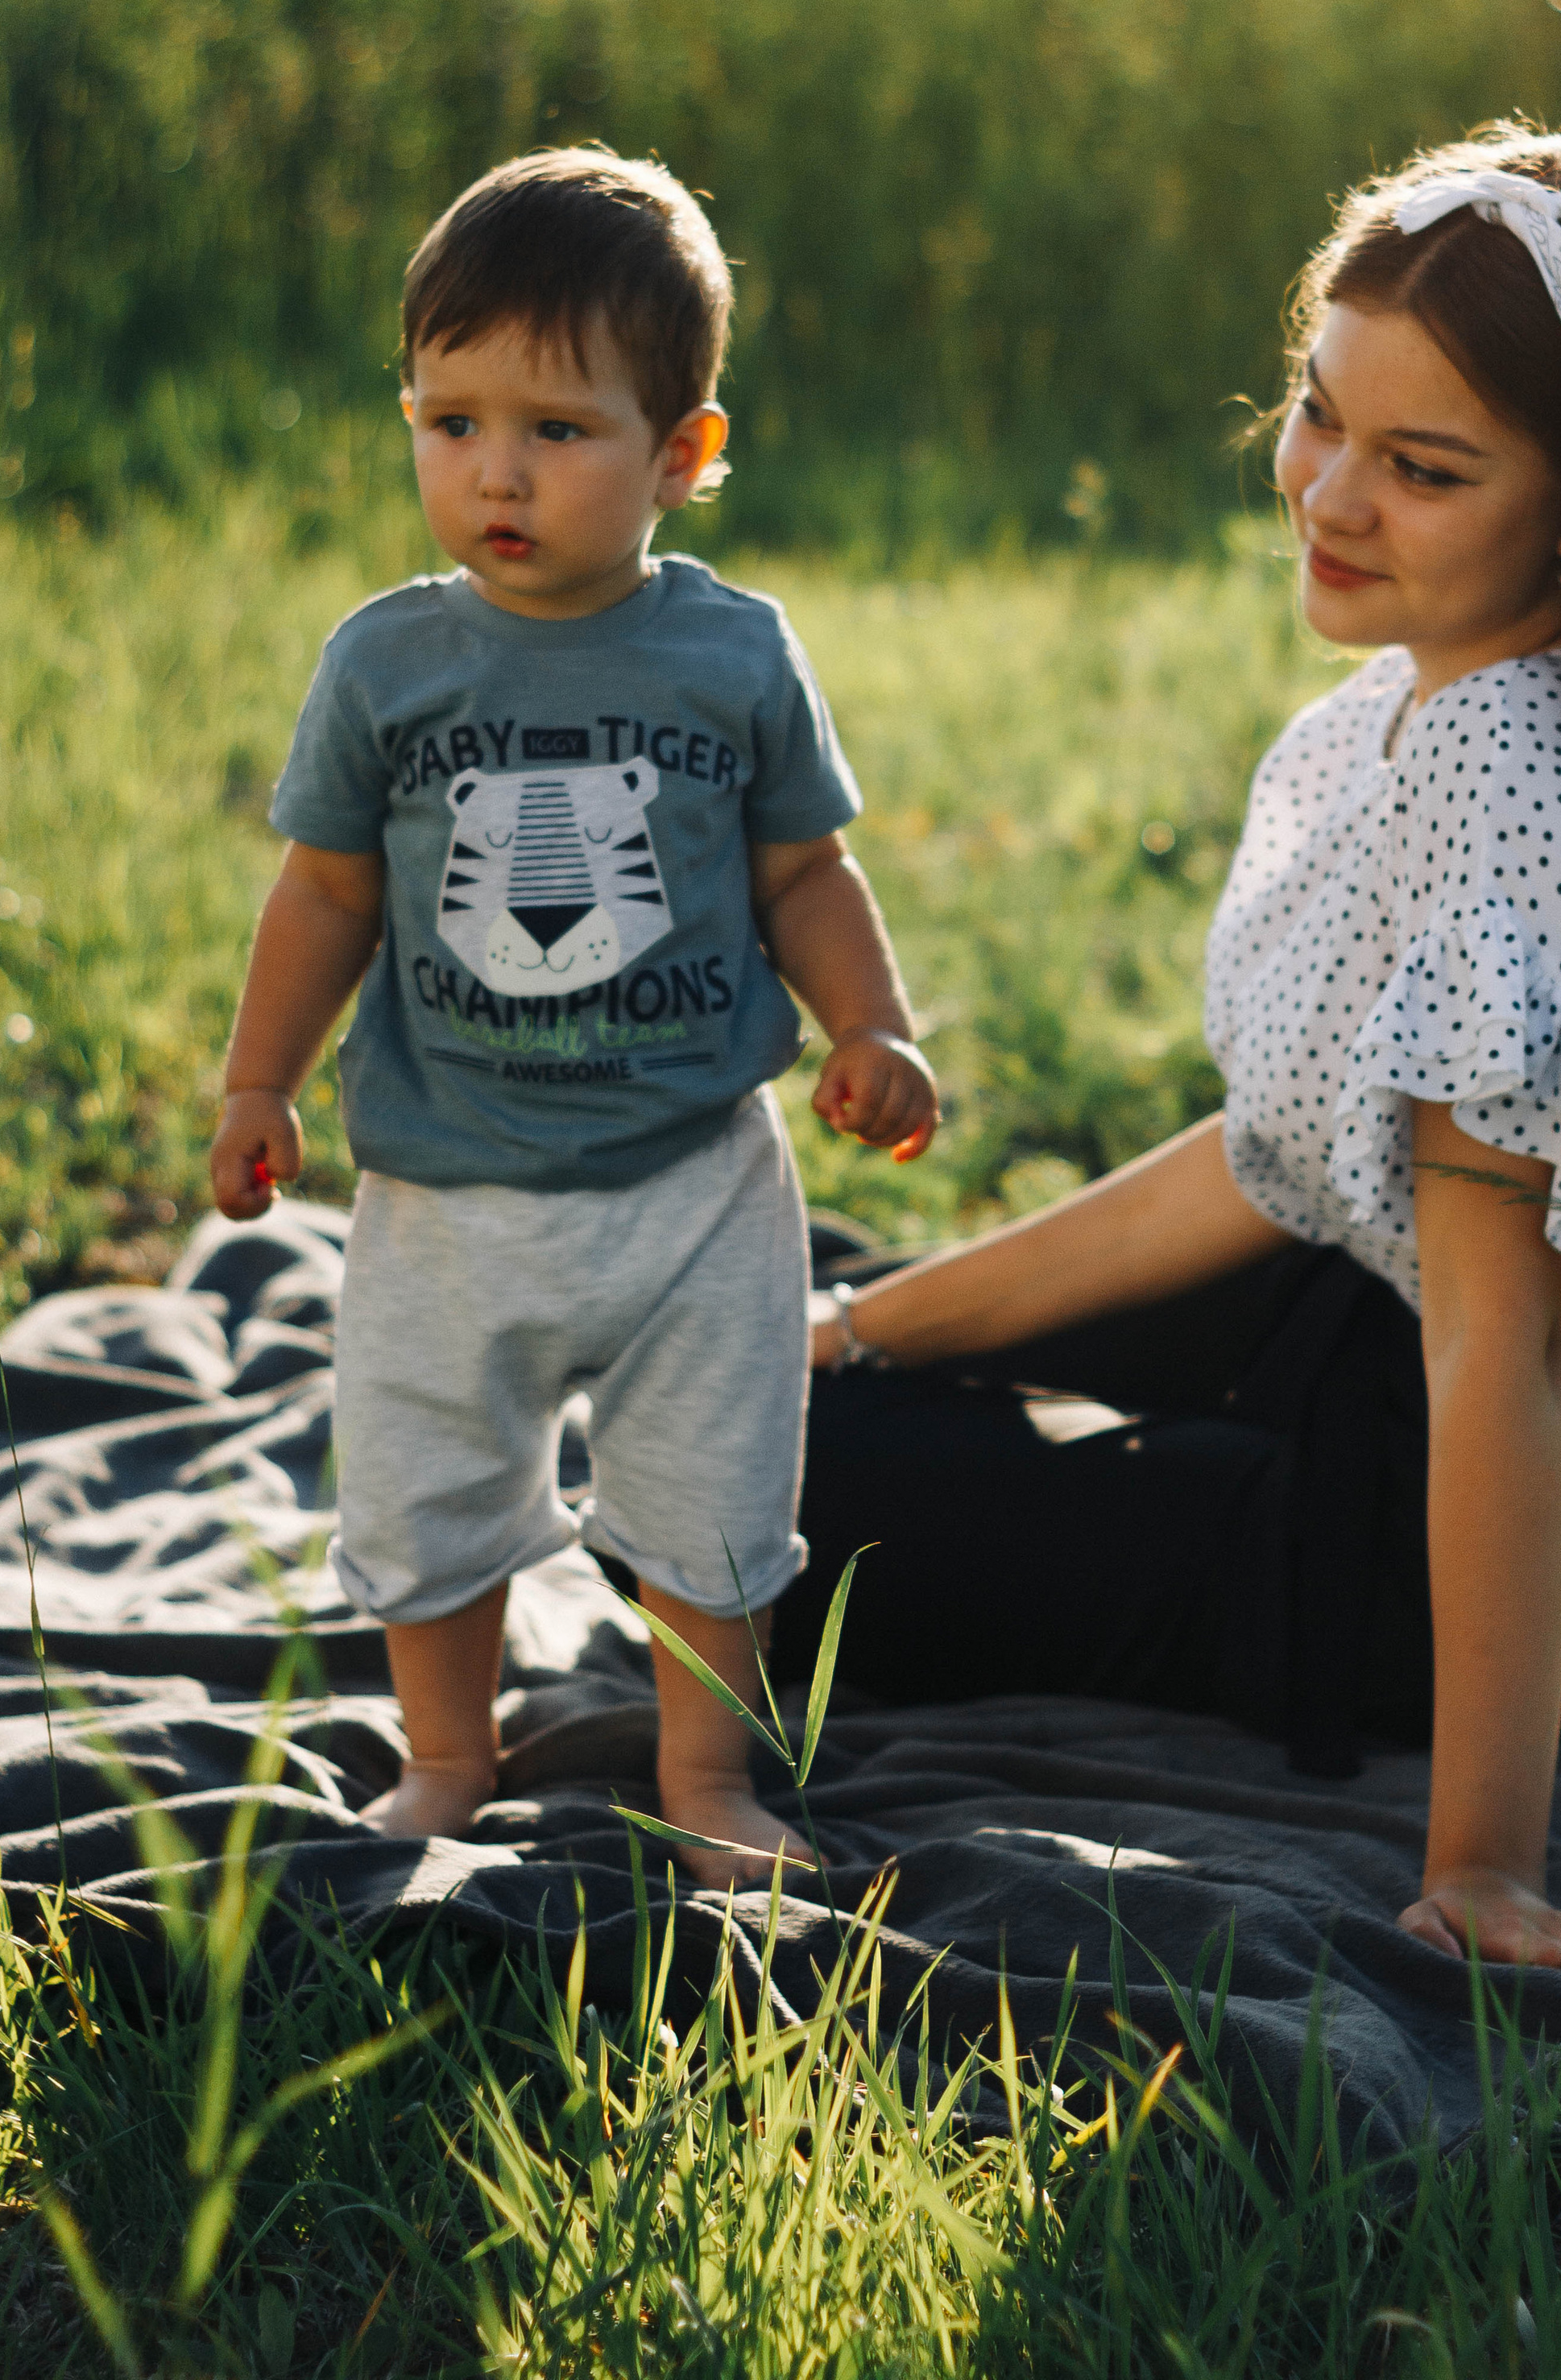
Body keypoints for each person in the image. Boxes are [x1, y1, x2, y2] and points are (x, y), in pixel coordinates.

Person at [774, 126, 1561, 1979]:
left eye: (1420, 467)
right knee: (760, 1355)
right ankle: (857, 1355)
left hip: (1473, 1529)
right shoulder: (1476, 694)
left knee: (748, 1494)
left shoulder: (1498, 796)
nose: (1326, 493)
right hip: (1370, 1334)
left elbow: (1495, 1357)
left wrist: (1483, 1864)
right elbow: (1270, 1159)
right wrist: (869, 1323)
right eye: (1318, 413)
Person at [209, 149, 938, 1874]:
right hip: (445, 1185)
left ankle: (704, 1780)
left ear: (682, 454)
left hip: (693, 1177)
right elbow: (325, 893)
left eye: (554, 428)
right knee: (429, 1483)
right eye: (448, 422)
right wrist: (259, 1079)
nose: (493, 473)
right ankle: (448, 1758)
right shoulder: (385, 666)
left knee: (710, 1495)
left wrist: (869, 1023)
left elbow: (800, 873)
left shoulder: (731, 656)